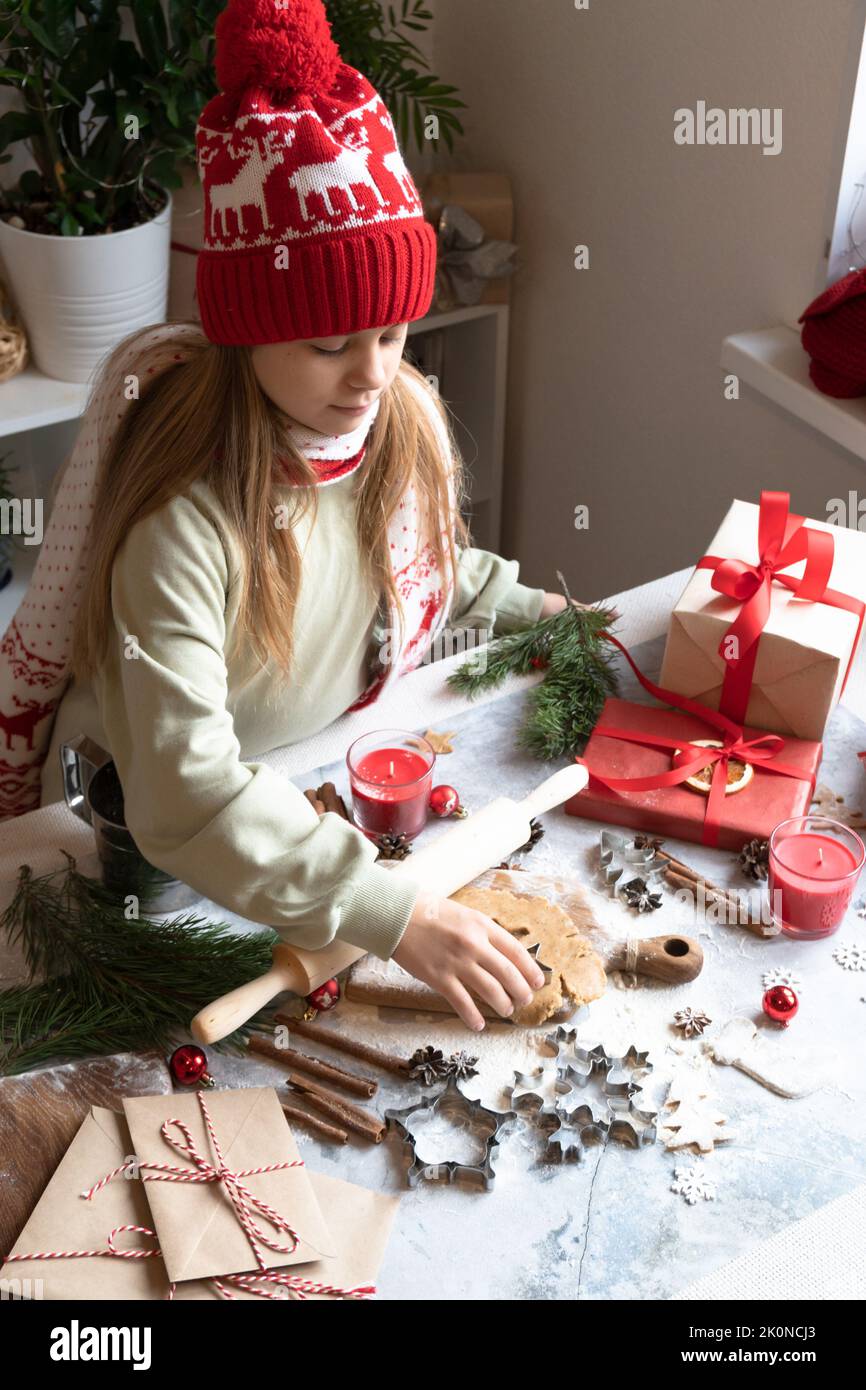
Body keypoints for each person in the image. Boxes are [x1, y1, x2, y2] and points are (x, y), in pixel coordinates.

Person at [16, 0, 572, 1030]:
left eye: (394, 331)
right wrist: (392, 915)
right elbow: (183, 794)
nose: (371, 375)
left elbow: (435, 573)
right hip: (166, 850)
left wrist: (569, 625)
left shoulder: (388, 423)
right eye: (328, 344)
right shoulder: (180, 523)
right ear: (246, 331)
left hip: (317, 783)